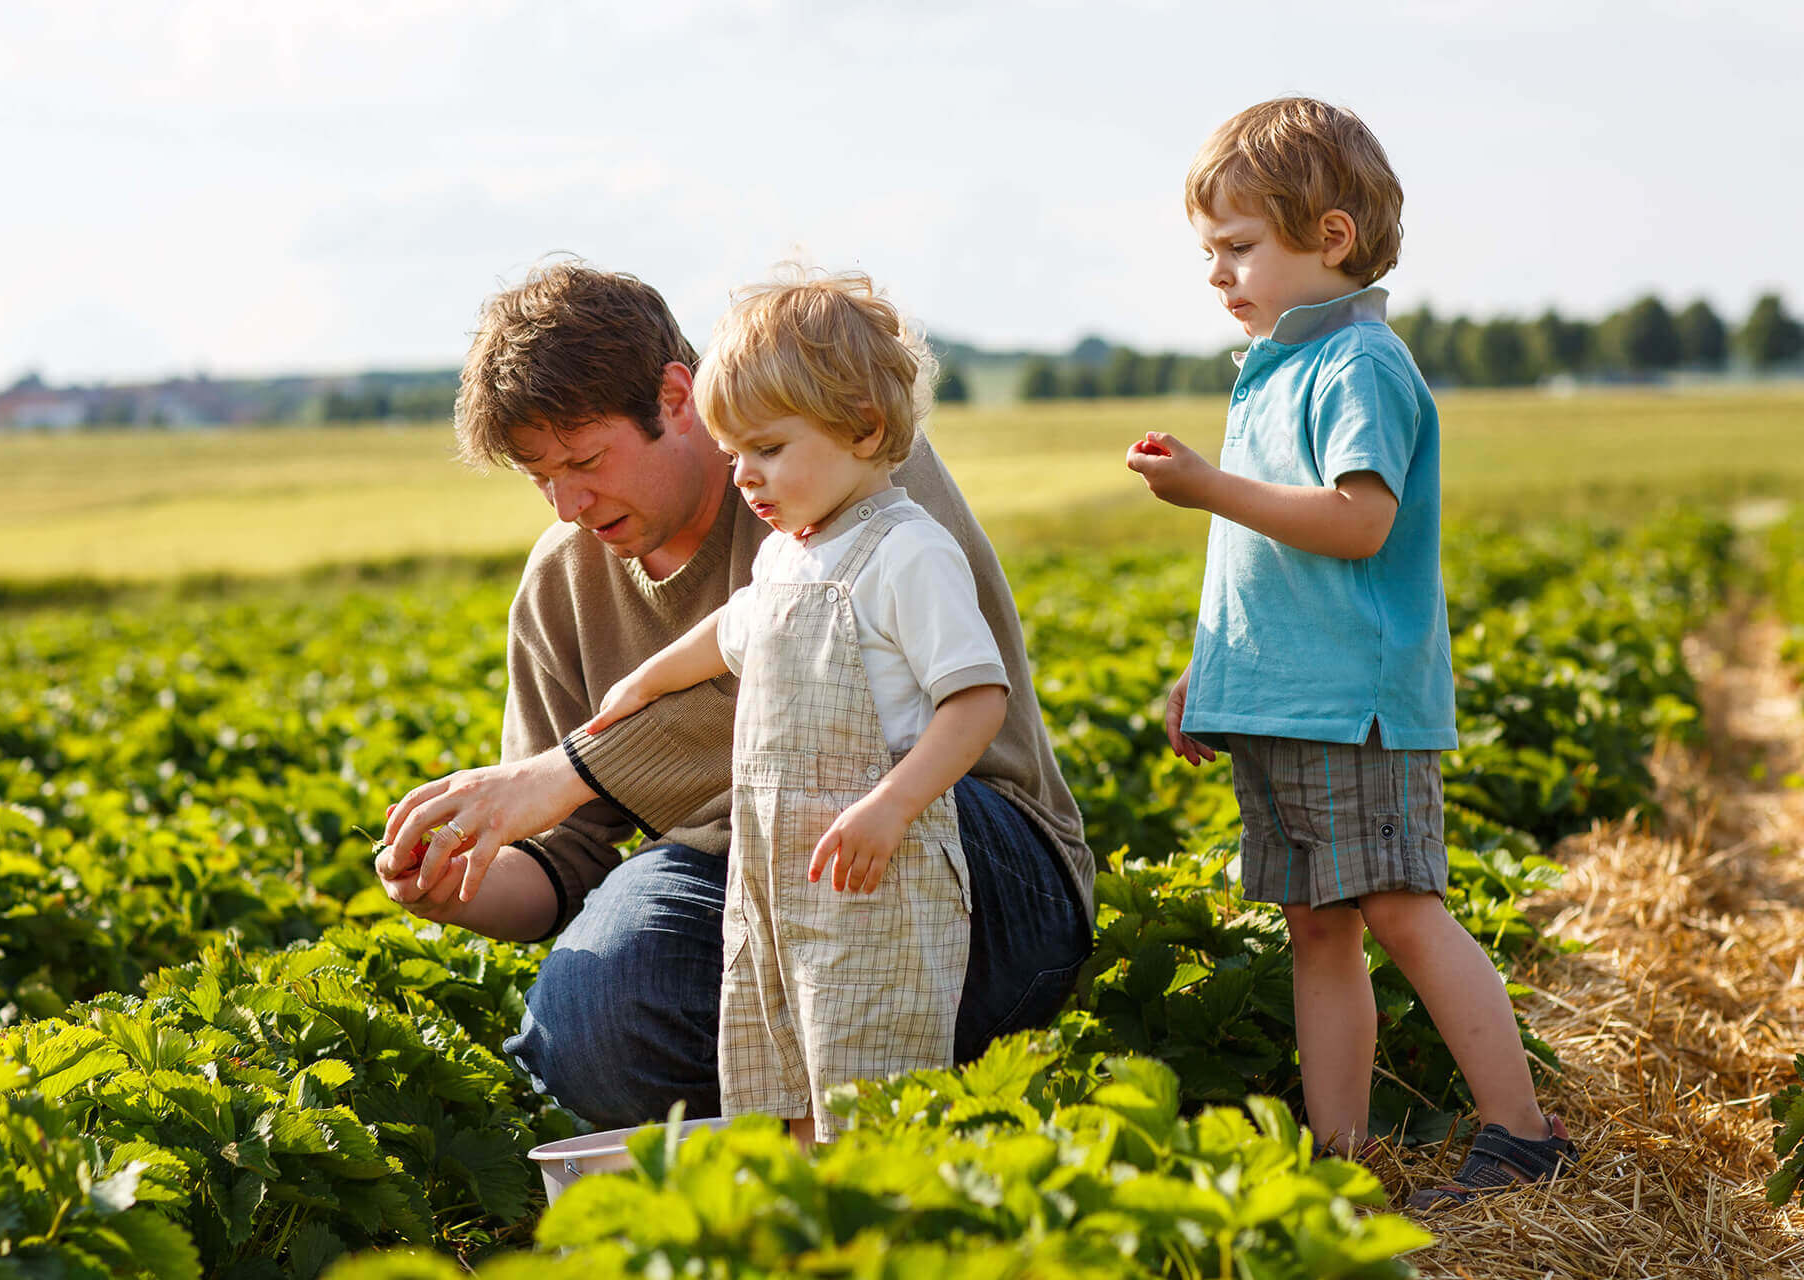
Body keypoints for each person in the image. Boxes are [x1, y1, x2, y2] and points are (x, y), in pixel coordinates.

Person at [373, 260, 1094, 1130]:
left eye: (586, 460)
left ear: (676, 399)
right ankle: (797, 1149)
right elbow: (563, 862)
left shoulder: (847, 469)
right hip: (746, 889)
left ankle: (902, 1129)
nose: (567, 504)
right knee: (590, 1020)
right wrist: (462, 885)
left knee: (820, 849)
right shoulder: (561, 583)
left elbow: (821, 667)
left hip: (958, 839)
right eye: (540, 477)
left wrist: (571, 770)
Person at [1126, 98, 1577, 1210]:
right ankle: (1341, 1160)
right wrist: (1212, 669)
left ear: (1329, 239)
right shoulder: (1272, 370)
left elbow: (1355, 520)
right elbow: (1263, 563)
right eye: (1209, 253)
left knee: (1400, 906)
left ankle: (1522, 1131)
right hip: (1285, 697)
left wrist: (1205, 486)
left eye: (1240, 247)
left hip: (1353, 706)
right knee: (1317, 926)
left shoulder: (1358, 364)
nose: (1219, 274)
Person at [581, 271, 1007, 1142]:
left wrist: (891, 807)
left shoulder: (905, 552)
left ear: (865, 427)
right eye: (734, 454)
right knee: (782, 1062)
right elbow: (731, 632)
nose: (744, 477)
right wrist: (645, 681)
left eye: (767, 450)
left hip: (875, 871)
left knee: (872, 1063)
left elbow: (975, 701)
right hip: (773, 871)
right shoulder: (788, 556)